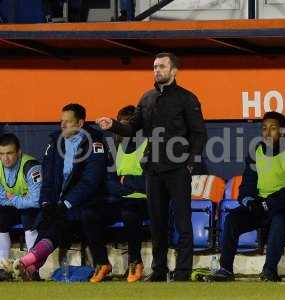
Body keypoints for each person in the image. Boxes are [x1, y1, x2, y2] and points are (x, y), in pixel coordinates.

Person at [97, 52, 207, 281]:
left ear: (174, 70)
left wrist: (189, 165)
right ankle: (159, 270)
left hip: (178, 170)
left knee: (182, 223)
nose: (157, 70)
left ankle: (183, 272)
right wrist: (113, 125)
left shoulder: (187, 98)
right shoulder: (146, 98)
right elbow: (132, 128)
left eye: (162, 67)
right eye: (155, 67)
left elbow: (199, 134)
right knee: (157, 223)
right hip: (153, 170)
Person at [206, 111, 285, 282]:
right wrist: (250, 203)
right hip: (262, 207)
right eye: (264, 129)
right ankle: (225, 269)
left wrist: (269, 202)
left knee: (279, 219)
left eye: (273, 128)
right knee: (232, 219)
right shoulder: (257, 152)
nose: (267, 133)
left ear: (282, 131)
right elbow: (246, 186)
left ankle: (269, 271)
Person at [12, 103, 112, 282]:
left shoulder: (95, 143)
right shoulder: (54, 143)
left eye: (68, 122)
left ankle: (102, 263)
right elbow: (48, 179)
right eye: (61, 121)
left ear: (80, 124)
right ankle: (31, 268)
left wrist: (65, 203)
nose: (63, 125)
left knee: (78, 218)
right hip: (62, 206)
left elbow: (90, 182)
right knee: (48, 220)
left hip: (88, 203)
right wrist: (46, 203)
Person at [105, 105, 148, 282]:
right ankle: (101, 263)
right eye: (119, 126)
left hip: (145, 203)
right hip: (119, 200)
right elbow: (109, 182)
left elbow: (148, 183)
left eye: (126, 126)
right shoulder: (114, 150)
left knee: (130, 214)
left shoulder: (147, 147)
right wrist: (127, 186)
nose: (121, 131)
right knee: (90, 214)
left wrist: (125, 181)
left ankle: (135, 262)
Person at [0, 133, 41, 279]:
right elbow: (1, 198)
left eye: (10, 153)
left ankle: (31, 269)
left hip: (33, 209)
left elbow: (36, 200)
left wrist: (14, 199)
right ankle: (3, 268)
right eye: (2, 154)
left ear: (18, 152)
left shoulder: (31, 166)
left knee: (28, 217)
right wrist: (18, 199)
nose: (6, 158)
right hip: (14, 206)